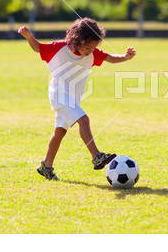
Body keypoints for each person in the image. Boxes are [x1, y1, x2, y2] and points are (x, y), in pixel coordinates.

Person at [18, 17, 136, 180]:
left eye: (94, 47)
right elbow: (38, 47)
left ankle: (46, 165)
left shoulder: (92, 53)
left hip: (73, 98)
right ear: (77, 40)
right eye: (87, 46)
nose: (90, 50)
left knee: (59, 132)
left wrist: (125, 57)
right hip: (59, 94)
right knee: (84, 120)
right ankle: (96, 156)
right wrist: (29, 37)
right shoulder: (59, 48)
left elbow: (110, 58)